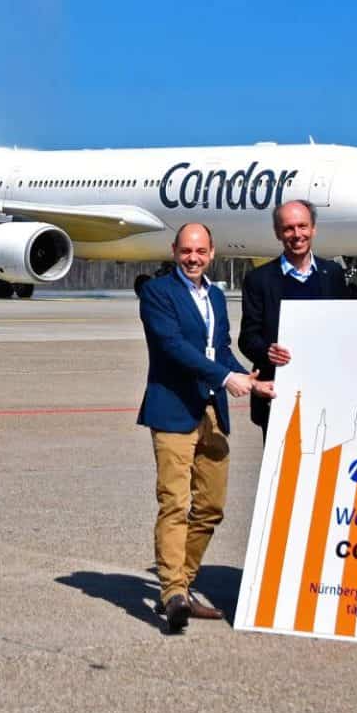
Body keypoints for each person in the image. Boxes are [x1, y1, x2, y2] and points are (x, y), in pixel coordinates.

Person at [137, 222, 270, 633]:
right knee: (175, 503)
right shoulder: (157, 292)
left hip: (211, 412)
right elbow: (172, 346)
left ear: (212, 253)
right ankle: (174, 592)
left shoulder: (214, 294)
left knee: (211, 507)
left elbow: (220, 348)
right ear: (174, 251)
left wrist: (248, 376)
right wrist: (226, 378)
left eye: (200, 252)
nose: (193, 258)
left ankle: (182, 584)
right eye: (186, 251)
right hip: (173, 411)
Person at [238, 199, 352, 439]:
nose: (297, 234)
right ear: (278, 233)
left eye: (302, 226)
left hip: (328, 393)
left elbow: (347, 331)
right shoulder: (258, 280)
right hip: (279, 394)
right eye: (289, 228)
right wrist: (266, 352)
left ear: (313, 229)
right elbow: (247, 338)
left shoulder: (332, 274)